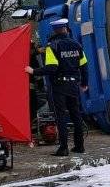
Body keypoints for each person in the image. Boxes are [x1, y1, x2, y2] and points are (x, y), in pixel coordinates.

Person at [25, 18, 88, 156]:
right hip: (73, 85)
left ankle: (64, 148)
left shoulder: (52, 46)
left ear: (54, 31)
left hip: (59, 86)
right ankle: (80, 146)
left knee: (61, 116)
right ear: (66, 29)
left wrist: (33, 71)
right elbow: (84, 65)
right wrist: (84, 83)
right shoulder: (77, 45)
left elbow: (52, 68)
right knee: (76, 115)